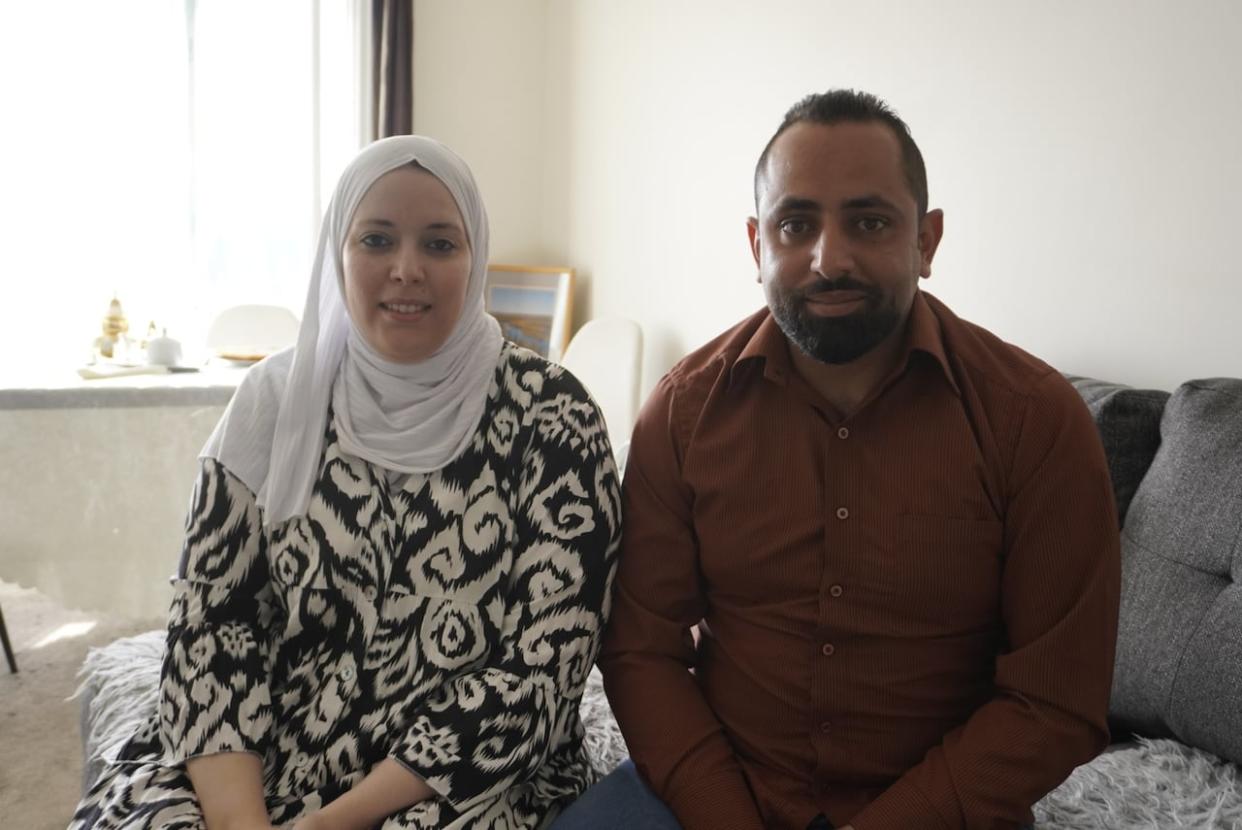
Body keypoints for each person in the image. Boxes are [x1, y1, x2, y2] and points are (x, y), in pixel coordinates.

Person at [559, 90, 1121, 830]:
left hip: (942, 807)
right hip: (716, 789)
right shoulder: (685, 412)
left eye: (869, 221)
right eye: (797, 224)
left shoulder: (1035, 421)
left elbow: (1055, 701)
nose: (830, 258)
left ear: (927, 240)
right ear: (758, 246)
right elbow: (640, 650)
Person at [70, 135, 621, 830]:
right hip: (264, 751)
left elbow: (541, 675)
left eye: (440, 244)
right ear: (338, 254)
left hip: (459, 778)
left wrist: (325, 824)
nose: (406, 269)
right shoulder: (272, 400)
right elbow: (211, 631)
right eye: (377, 240)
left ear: (475, 254)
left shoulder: (554, 415)